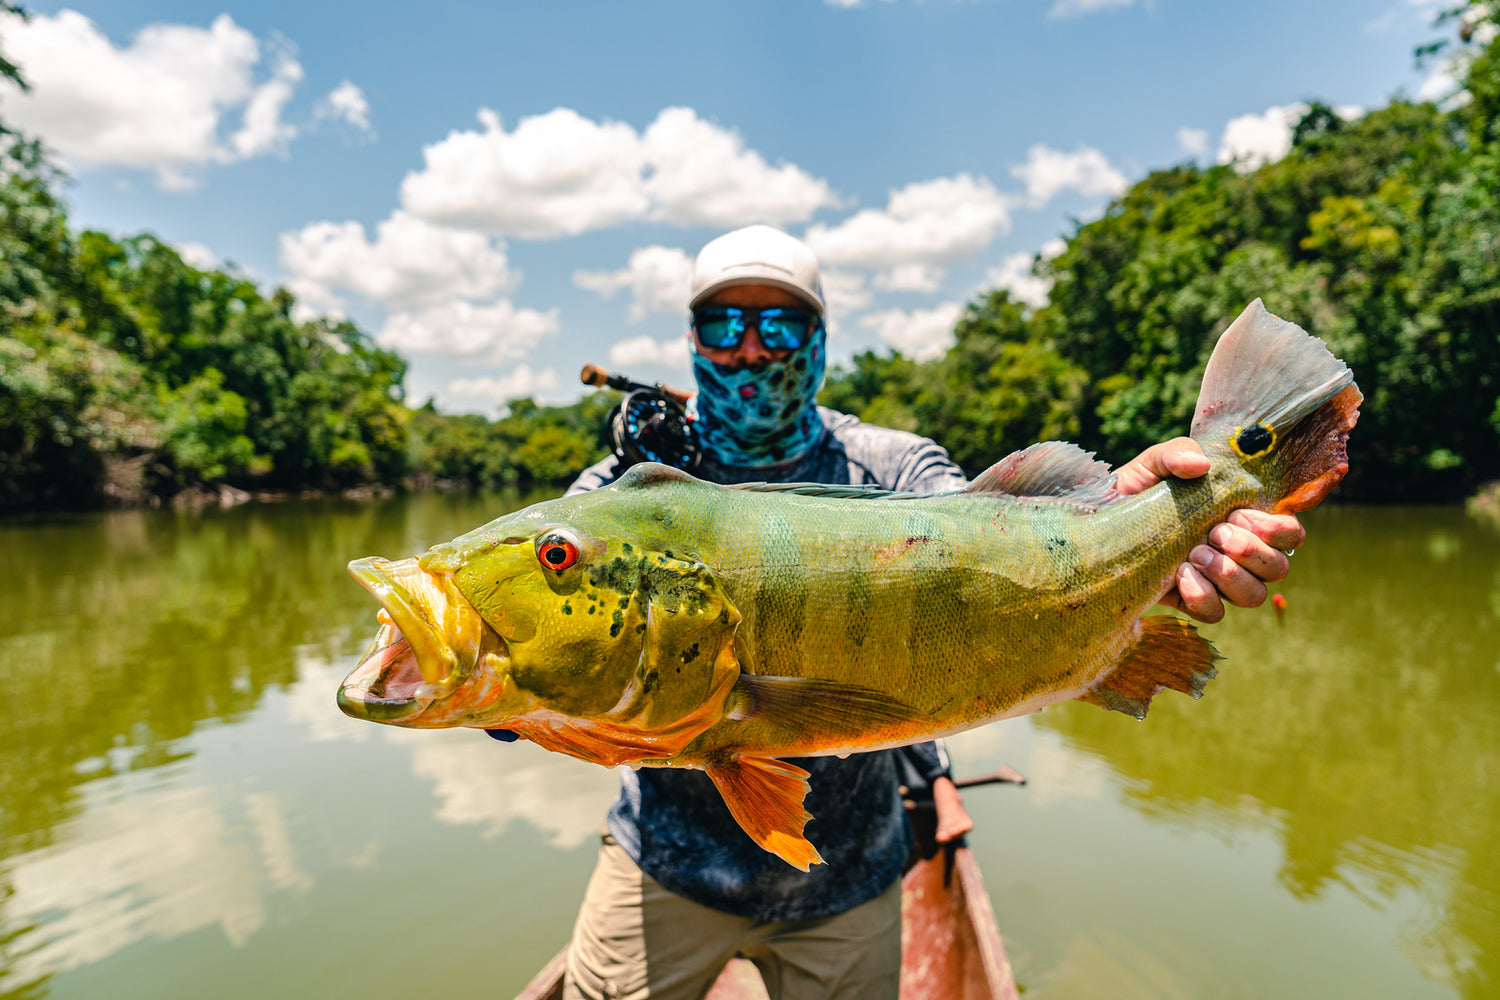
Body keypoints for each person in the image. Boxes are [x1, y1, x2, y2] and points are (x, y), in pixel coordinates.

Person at [557, 225, 1304, 1000]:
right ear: (692, 339)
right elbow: (528, 633)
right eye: (725, 325)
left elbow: (976, 526)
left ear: (817, 340)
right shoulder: (621, 497)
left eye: (779, 326)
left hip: (849, 880)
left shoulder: (890, 465)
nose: (752, 351)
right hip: (665, 869)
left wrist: (1127, 509)